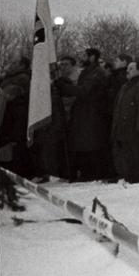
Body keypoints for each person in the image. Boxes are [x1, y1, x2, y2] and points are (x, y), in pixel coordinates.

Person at [56, 48, 111, 181]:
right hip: (86, 115)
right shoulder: (90, 72)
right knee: (85, 146)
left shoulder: (96, 73)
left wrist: (63, 86)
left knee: (91, 147)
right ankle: (88, 173)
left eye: (85, 55)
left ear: (92, 57)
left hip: (92, 115)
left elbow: (84, 91)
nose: (82, 58)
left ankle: (93, 174)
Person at [111, 60, 139, 183]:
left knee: (138, 154)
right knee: (126, 154)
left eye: (131, 68)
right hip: (123, 127)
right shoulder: (126, 86)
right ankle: (129, 176)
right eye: (127, 68)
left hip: (135, 127)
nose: (127, 71)